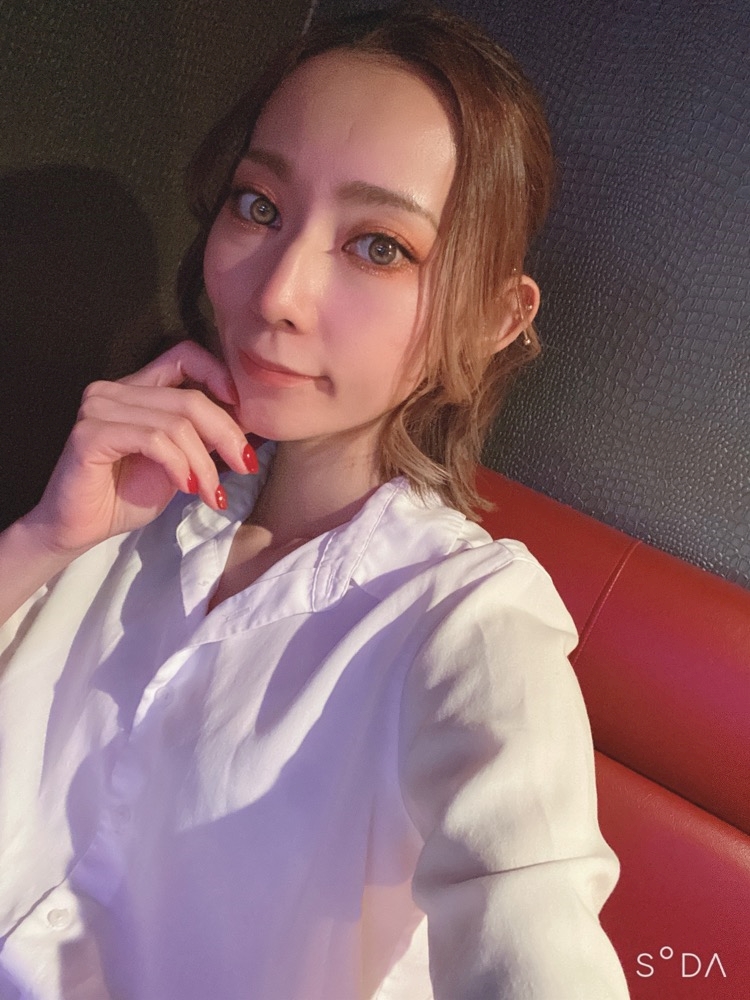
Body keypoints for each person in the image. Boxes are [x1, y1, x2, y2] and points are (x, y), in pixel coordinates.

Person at [0, 5, 630, 998]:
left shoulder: (468, 623)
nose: (277, 294)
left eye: (380, 247)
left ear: (489, 318)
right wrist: (43, 538)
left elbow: (534, 936)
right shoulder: (136, 483)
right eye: (259, 206)